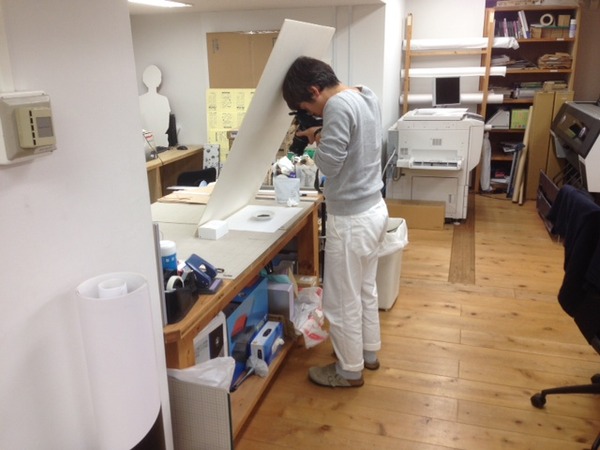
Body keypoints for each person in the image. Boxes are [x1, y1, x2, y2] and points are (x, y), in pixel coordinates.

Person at [282, 56, 388, 388]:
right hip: (374, 208)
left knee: (341, 301)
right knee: (365, 290)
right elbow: (354, 143)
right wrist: (322, 131)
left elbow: (329, 165)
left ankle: (349, 370)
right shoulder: (365, 94)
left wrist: (317, 138)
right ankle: (367, 353)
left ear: (314, 90)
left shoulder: (337, 107)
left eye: (307, 106)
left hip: (352, 218)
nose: (311, 113)